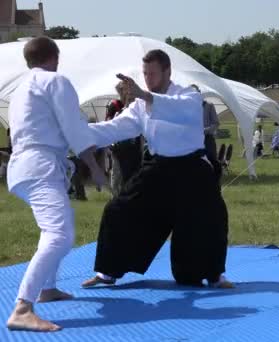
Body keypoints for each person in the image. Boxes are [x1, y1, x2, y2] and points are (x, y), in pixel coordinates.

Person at [81, 50, 232, 289]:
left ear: (167, 72)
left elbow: (182, 112)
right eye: (145, 74)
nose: (148, 78)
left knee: (209, 218)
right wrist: (77, 132)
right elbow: (115, 128)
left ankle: (213, 275)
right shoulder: (141, 105)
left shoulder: (188, 96)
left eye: (153, 73)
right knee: (118, 210)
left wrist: (145, 95)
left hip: (192, 169)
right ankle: (107, 272)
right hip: (159, 167)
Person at [5, 37, 106, 332]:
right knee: (60, 233)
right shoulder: (55, 81)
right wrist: (95, 168)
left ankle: (47, 288)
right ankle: (22, 307)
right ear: (55, 57)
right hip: (40, 166)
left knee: (53, 228)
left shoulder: (21, 88)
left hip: (24, 167)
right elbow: (72, 127)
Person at [106, 83, 143, 197]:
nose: (127, 94)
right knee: (119, 179)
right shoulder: (116, 106)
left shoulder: (138, 108)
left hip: (134, 149)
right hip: (119, 150)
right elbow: (110, 124)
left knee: (133, 179)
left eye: (128, 91)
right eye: (124, 91)